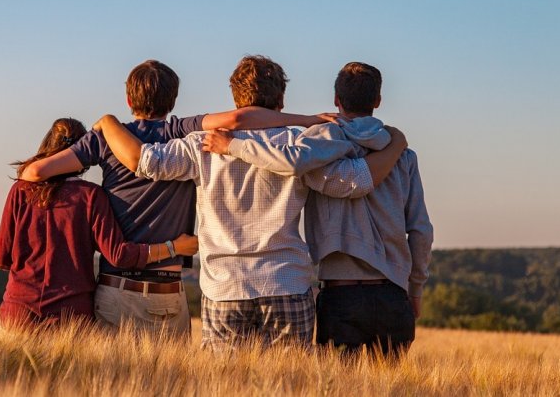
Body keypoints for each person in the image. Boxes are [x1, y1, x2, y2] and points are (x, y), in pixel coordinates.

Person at [92, 55, 408, 350]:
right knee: (289, 386)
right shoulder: (300, 144)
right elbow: (353, 182)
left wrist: (108, 122)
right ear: (281, 99)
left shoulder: (201, 144)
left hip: (224, 287)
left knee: (224, 385)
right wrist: (395, 146)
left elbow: (145, 161)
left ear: (235, 98)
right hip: (286, 282)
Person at [18, 60, 337, 337]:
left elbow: (34, 174)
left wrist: (102, 129)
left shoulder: (105, 138)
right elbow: (239, 120)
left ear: (129, 99)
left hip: (116, 288)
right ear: (173, 100)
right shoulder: (181, 131)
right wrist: (307, 120)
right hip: (168, 291)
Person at [203, 62, 433, 357]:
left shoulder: (316, 146)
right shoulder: (403, 155)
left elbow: (290, 161)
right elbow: (421, 230)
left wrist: (233, 146)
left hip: (340, 294)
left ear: (336, 99)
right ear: (377, 101)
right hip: (393, 294)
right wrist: (415, 289)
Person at [0, 117, 198, 331]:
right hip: (71, 319)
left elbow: (1, 258)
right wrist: (173, 248)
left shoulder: (20, 191)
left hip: (17, 314)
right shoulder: (91, 196)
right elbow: (119, 255)